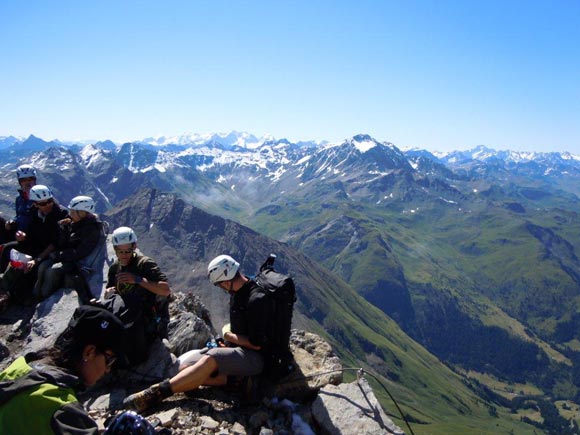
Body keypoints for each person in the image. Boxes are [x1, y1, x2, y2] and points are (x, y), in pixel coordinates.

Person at [122, 254, 275, 412]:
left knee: (212, 359)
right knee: (186, 370)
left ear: (227, 280)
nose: (220, 288)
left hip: (257, 358)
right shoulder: (238, 294)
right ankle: (236, 381)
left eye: (219, 284)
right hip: (238, 349)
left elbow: (258, 343)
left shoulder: (256, 300)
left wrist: (229, 336)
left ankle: (158, 393)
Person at [0, 304, 127, 434]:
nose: (108, 370)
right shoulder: (61, 407)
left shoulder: (19, 367)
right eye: (109, 360)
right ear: (89, 352)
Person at [103, 226, 171, 365]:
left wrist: (138, 280)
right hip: (124, 313)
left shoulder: (144, 264)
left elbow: (165, 290)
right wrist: (108, 293)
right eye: (119, 251)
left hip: (145, 317)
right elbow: (111, 289)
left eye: (127, 251)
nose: (123, 255)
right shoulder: (115, 268)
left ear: (134, 247)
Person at [0, 185, 68, 308]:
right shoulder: (33, 212)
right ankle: (4, 289)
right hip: (35, 245)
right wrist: (23, 237)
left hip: (50, 251)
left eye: (49, 201)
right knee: (9, 248)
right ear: (35, 204)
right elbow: (32, 232)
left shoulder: (61, 214)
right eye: (42, 204)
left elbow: (56, 242)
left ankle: (24, 295)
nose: (47, 205)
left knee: (33, 267)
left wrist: (37, 259)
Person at [34, 195, 107, 303]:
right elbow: (65, 244)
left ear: (82, 213)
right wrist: (64, 229)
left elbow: (79, 252)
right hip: (68, 257)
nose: (70, 214)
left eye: (73, 212)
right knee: (43, 265)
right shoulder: (76, 224)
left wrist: (59, 255)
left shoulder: (91, 229)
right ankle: (36, 294)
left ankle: (44, 297)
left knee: (52, 271)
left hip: (78, 263)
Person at [0, 164, 38, 271]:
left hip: (30, 236)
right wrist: (11, 222)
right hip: (18, 231)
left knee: (6, 248)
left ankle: (2, 276)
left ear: (35, 180)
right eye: (23, 180)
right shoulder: (19, 198)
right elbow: (19, 216)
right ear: (19, 182)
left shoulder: (40, 197)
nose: (27, 182)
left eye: (30, 179)